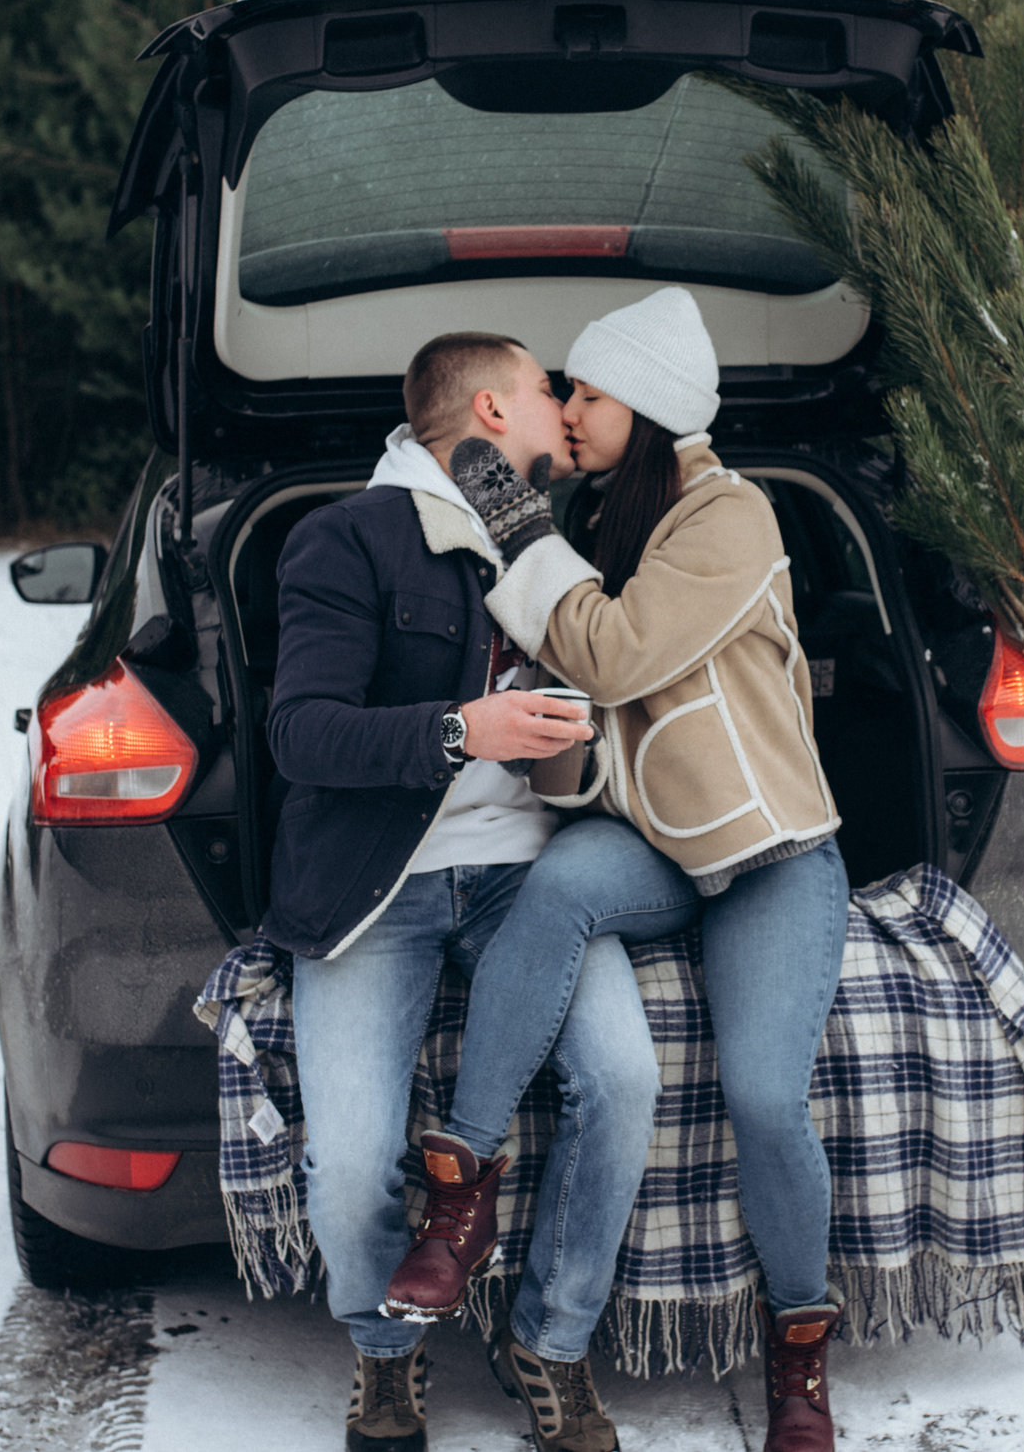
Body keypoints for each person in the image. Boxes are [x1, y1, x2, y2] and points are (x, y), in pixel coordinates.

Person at [382, 286, 855, 1452]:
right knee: (558, 884)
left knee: (761, 1096)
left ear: (643, 403)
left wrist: (513, 524)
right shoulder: (601, 526)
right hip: (656, 844)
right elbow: (586, 725)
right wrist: (550, 751)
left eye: (584, 390)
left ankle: (797, 1356)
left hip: (767, 853)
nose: (569, 409)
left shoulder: (727, 515)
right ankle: (462, 1189)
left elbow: (614, 647)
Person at [264, 330, 651, 1452]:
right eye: (546, 390)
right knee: (346, 1164)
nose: (564, 408)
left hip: (530, 877)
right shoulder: (344, 536)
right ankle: (385, 1356)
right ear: (489, 408)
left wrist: (565, 756)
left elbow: (573, 741)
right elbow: (302, 730)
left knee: (622, 1078)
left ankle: (550, 1339)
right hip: (375, 891)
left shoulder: (552, 548)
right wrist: (458, 728)